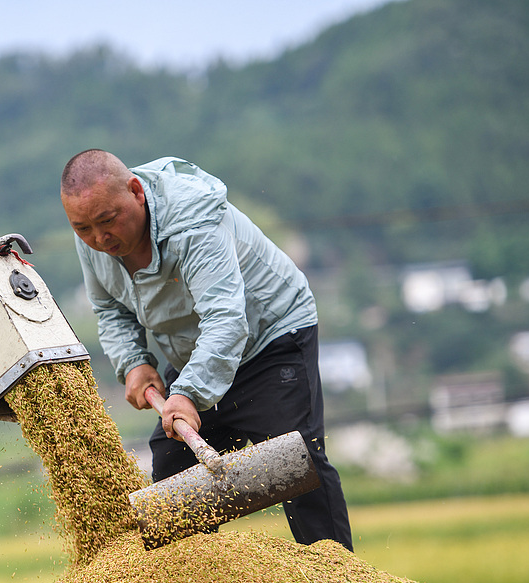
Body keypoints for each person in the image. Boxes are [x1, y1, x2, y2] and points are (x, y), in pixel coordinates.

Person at [60, 149, 353, 550]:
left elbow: (226, 321)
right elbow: (110, 309)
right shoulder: (94, 236)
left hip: (268, 339)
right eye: (83, 229)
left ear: (136, 192)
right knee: (173, 470)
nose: (98, 238)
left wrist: (187, 394)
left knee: (298, 465)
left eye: (107, 222)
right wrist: (135, 363)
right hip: (196, 351)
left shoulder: (193, 220)